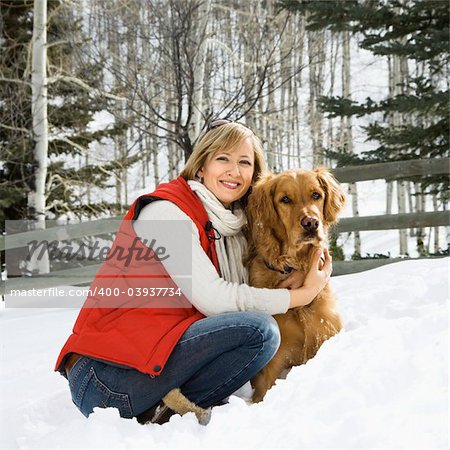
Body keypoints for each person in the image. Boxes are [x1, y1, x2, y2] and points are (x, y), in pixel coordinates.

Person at [54, 119, 332, 425]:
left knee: (255, 333)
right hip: (103, 379)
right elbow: (214, 300)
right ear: (201, 166)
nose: (234, 171)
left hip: (154, 361)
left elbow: (247, 290)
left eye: (244, 162)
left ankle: (167, 410)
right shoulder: (164, 212)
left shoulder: (233, 225)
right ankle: (166, 411)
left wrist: (304, 276)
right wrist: (299, 295)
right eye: (222, 159)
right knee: (260, 331)